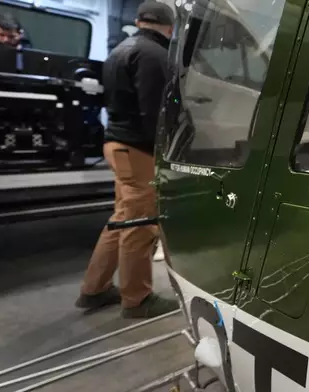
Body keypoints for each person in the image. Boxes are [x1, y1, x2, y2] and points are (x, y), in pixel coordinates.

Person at [75, 1, 178, 319]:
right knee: (141, 224)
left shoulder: (121, 49)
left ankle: (95, 289)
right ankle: (137, 299)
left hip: (117, 143)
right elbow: (155, 113)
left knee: (122, 219)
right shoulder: (154, 54)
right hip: (139, 149)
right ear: (169, 26)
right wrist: (169, 151)